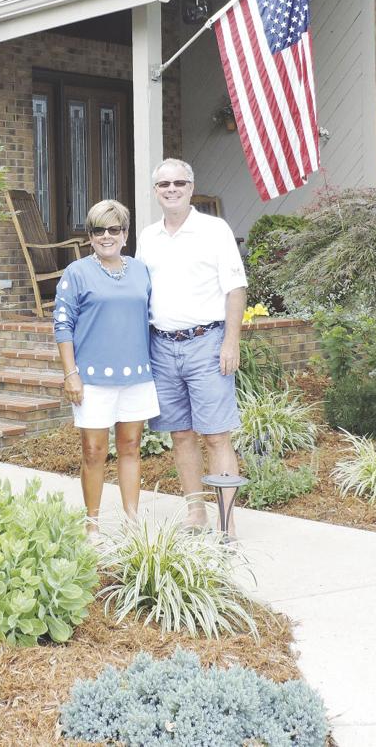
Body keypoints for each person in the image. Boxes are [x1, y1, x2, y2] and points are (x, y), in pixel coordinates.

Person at [136, 159, 247, 532]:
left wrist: (231, 341)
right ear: (156, 191)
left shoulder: (214, 230)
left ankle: (226, 522)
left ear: (191, 186)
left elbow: (236, 289)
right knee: (180, 434)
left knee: (216, 435)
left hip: (207, 343)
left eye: (179, 183)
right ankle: (195, 513)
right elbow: (139, 293)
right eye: (164, 184)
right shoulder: (148, 237)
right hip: (162, 347)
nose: (171, 189)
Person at [53, 199, 159, 533]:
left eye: (114, 229)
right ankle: (92, 525)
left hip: (137, 376)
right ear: (90, 236)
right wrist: (71, 374)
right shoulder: (77, 273)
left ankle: (132, 523)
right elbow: (62, 324)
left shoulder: (141, 271)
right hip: (92, 379)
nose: (107, 236)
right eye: (99, 230)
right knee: (94, 451)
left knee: (131, 448)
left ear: (126, 234)